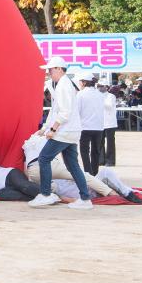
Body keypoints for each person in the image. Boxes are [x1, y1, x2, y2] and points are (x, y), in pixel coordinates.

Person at [29, 57, 93, 209]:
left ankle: (45, 194)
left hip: (64, 131)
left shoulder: (63, 85)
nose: (49, 72)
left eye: (50, 69)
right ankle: (85, 198)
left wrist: (52, 129)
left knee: (44, 158)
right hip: (70, 131)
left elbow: (64, 112)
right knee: (72, 166)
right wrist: (45, 128)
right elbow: (55, 111)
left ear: (59, 68)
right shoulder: (63, 84)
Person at [76, 72, 105, 175]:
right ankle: (95, 173)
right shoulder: (100, 94)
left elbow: (76, 111)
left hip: (85, 127)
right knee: (96, 151)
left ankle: (88, 173)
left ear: (84, 82)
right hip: (99, 127)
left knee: (84, 151)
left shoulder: (80, 94)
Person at [100, 77, 119, 167]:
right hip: (100, 123)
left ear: (106, 87)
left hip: (110, 123)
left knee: (110, 142)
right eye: (98, 86)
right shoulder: (97, 96)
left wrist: (100, 100)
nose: (99, 88)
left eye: (101, 86)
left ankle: (110, 161)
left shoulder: (111, 96)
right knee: (100, 142)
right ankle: (101, 160)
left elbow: (109, 106)